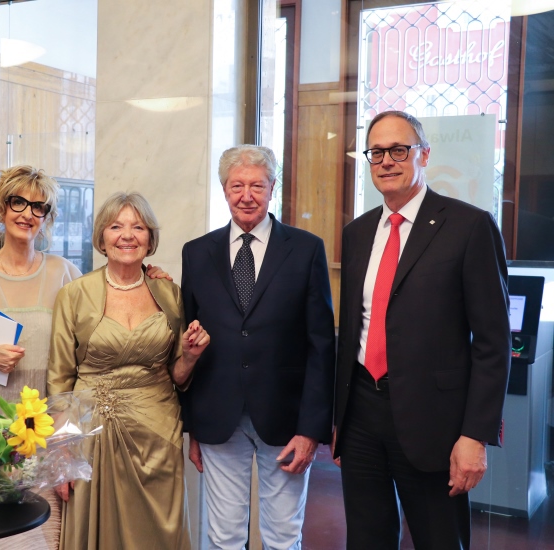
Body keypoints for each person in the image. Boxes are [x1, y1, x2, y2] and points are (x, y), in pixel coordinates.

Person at [0, 169, 173, 549]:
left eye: (38, 206)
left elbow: (107, 308)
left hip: (45, 429)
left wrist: (150, 274)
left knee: (40, 538)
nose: (27, 214)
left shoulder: (66, 274)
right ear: (1, 207)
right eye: (18, 202)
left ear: (47, 216)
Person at [333, 110, 510, 549]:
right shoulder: (357, 234)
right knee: (367, 539)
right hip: (361, 416)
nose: (387, 161)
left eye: (399, 149)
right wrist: (338, 416)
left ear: (424, 155)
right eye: (377, 152)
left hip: (435, 423)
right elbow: (353, 329)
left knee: (440, 541)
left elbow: (492, 343)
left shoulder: (469, 227)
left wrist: (475, 435)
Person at [180, 144, 335, 549]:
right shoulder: (197, 253)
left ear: (272, 188)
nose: (246, 195)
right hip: (218, 418)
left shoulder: (305, 249)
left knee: (283, 535)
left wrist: (312, 429)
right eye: (236, 186)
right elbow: (188, 338)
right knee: (224, 536)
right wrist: (192, 425)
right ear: (224, 189)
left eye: (257, 185)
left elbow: (321, 344)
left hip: (286, 421)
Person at [48, 191, 210, 550]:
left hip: (158, 432)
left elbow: (178, 376)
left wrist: (192, 356)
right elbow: (59, 380)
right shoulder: (73, 295)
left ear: (150, 238)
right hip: (91, 434)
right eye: (116, 226)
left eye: (138, 227)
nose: (127, 235)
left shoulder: (170, 294)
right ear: (102, 238)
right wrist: (61, 455)